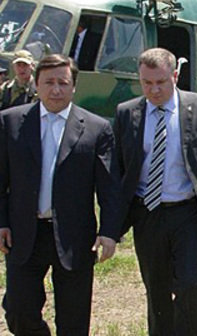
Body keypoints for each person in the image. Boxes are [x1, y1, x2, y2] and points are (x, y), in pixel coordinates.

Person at [113, 48, 197, 336]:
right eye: (147, 83)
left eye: (161, 82)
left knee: (191, 285)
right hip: (149, 213)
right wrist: (113, 224)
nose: (154, 90)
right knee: (156, 288)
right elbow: (119, 171)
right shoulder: (127, 113)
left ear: (175, 76)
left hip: (189, 212)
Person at [0, 54, 120, 335]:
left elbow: (110, 186)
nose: (56, 90)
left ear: (74, 86)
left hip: (75, 236)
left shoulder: (96, 128)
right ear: (36, 84)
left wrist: (110, 231)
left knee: (74, 319)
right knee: (18, 310)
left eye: (63, 83)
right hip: (24, 233)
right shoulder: (10, 123)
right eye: (49, 82)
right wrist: (1, 221)